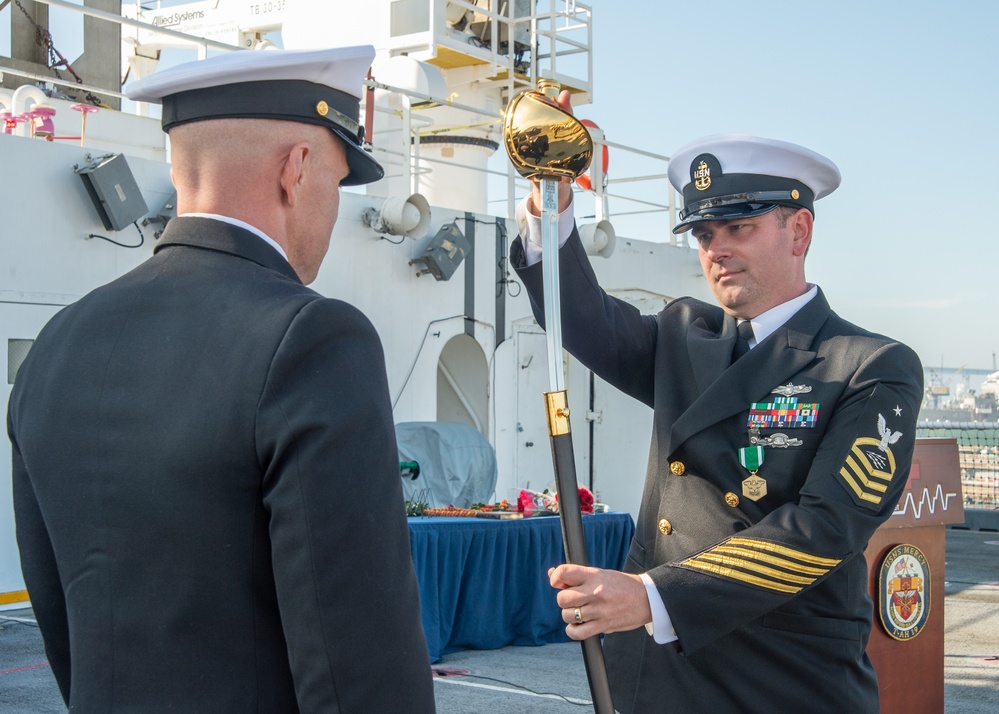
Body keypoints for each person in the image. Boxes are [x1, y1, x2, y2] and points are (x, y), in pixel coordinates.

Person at [8, 47, 436, 713]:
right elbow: (357, 661)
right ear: (296, 170)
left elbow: (65, 623)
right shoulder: (313, 340)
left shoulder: (59, 343)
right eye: (336, 180)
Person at [512, 92, 923, 713]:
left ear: (800, 231)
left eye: (739, 227)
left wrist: (650, 597)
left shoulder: (869, 365)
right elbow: (583, 319)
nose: (717, 248)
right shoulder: (682, 337)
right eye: (704, 232)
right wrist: (554, 200)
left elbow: (821, 529)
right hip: (661, 680)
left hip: (782, 683)